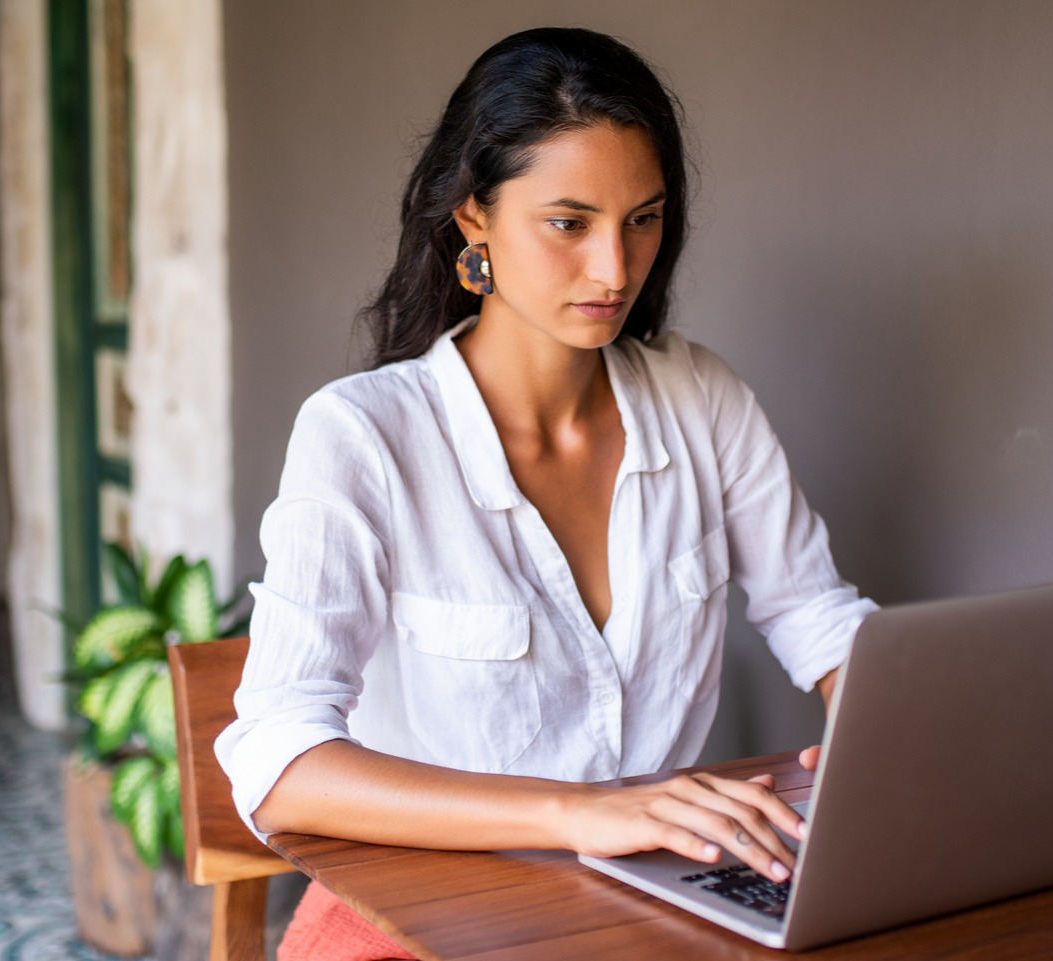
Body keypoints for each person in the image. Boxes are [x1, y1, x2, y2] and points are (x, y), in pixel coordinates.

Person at [215, 26, 877, 961]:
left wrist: (892, 735)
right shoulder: (364, 435)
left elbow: (813, 609)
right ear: (472, 216)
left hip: (649, 903)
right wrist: (583, 812)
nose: (614, 270)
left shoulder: (701, 396)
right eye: (568, 223)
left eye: (642, 219)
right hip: (426, 915)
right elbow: (278, 762)